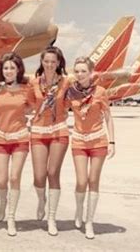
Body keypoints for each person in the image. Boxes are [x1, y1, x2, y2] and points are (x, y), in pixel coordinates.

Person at [66, 56, 115, 239]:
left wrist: (112, 142)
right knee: (81, 181)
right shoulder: (70, 92)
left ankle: (89, 222)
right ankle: (79, 211)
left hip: (98, 141)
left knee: (93, 180)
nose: (79, 74)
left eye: (83, 71)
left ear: (91, 72)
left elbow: (108, 117)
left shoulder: (100, 92)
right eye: (76, 71)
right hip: (79, 140)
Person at [0, 52, 34, 236]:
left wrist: (22, 115)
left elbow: (34, 105)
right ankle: (3, 200)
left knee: (14, 178)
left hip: (20, 138)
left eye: (12, 68)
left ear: (18, 70)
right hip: (0, 137)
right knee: (1, 180)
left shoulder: (27, 89)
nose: (8, 71)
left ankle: (11, 217)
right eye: (6, 68)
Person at [29, 46, 69, 236]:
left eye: (54, 62)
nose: (50, 65)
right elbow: (27, 104)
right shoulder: (33, 82)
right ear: (42, 62)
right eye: (47, 61)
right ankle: (41, 200)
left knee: (52, 173)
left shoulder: (66, 82)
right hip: (38, 130)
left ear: (59, 63)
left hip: (59, 130)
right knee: (38, 176)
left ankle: (51, 218)